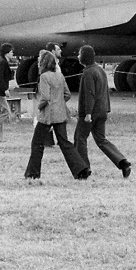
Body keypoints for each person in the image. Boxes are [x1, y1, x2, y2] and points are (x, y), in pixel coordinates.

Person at [24, 51, 90, 180]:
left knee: (37, 143)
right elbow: (67, 94)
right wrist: (59, 103)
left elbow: (45, 97)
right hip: (60, 114)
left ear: (42, 63)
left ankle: (33, 172)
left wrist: (39, 106)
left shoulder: (43, 77)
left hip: (47, 115)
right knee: (64, 142)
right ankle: (81, 169)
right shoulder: (60, 76)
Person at [74, 44, 131, 178]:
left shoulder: (88, 72)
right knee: (101, 140)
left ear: (85, 57)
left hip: (91, 113)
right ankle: (122, 162)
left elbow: (90, 94)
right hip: (102, 110)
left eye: (79, 54)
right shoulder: (100, 70)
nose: (78, 56)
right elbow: (104, 91)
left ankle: (83, 169)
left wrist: (87, 113)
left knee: (79, 138)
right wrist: (107, 108)